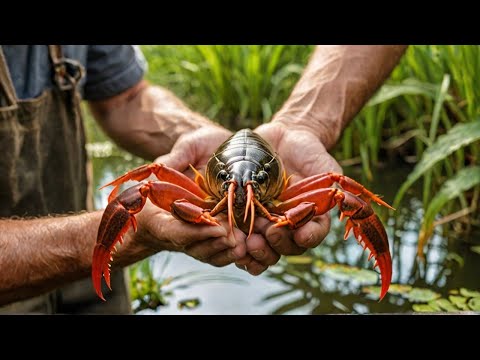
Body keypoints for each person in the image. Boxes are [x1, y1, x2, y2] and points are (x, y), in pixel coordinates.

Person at [0, 45, 407, 314]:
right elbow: (147, 182)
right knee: (138, 191)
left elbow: (124, 96)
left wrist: (303, 124)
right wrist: (132, 234)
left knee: (342, 192)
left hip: (90, 288)